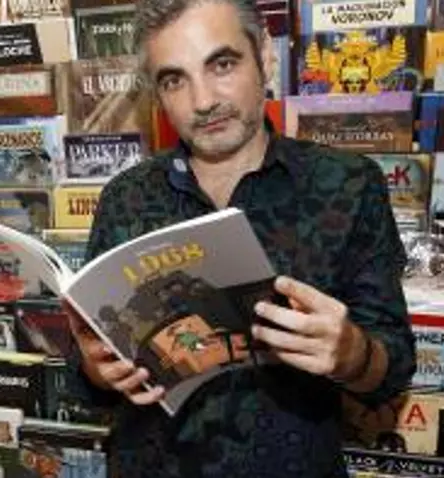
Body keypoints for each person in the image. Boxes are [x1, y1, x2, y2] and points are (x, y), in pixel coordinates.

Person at [64, 0, 416, 476]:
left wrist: (352, 353)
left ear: (265, 56)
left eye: (222, 64)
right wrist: (97, 369)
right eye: (174, 80)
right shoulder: (125, 197)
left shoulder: (348, 185)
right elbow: (87, 378)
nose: (203, 101)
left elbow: (394, 367)